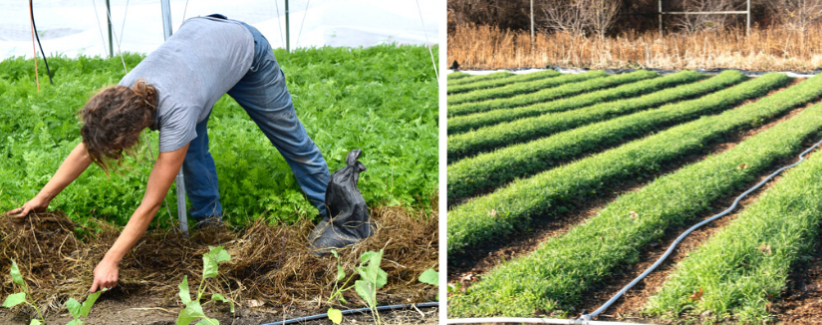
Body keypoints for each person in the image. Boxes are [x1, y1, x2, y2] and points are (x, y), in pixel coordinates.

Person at [3, 15, 330, 294]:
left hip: (245, 49)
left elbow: (151, 203)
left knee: (289, 138)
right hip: (199, 55)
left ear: (134, 134)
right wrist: (41, 198)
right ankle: (210, 226)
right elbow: (87, 150)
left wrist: (111, 259)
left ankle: (338, 212)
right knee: (191, 152)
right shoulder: (126, 92)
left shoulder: (177, 110)